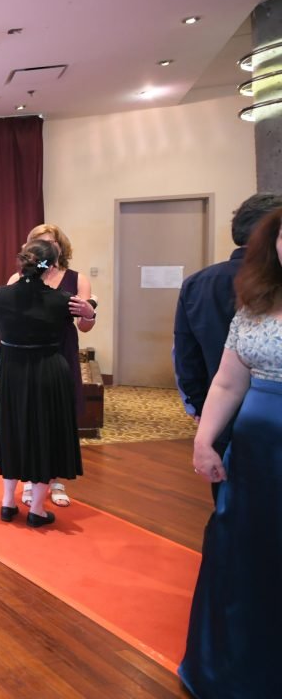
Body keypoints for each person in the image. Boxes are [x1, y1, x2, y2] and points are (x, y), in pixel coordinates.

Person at [179, 206, 282, 698]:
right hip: (256, 451)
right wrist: (204, 440)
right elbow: (227, 381)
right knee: (243, 554)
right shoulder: (256, 303)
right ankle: (232, 672)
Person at [173, 193, 282, 504]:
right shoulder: (254, 300)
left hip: (223, 416)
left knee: (229, 498)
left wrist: (198, 407)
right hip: (241, 417)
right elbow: (223, 377)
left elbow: (186, 356)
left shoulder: (199, 282)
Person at [0, 223, 94, 508]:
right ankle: (32, 483)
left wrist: (90, 312)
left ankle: (53, 480)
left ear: (59, 247)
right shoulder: (17, 282)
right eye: (38, 241)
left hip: (59, 352)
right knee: (28, 417)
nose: (45, 246)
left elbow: (85, 325)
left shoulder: (76, 279)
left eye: (49, 241)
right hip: (25, 356)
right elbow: (4, 318)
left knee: (55, 418)